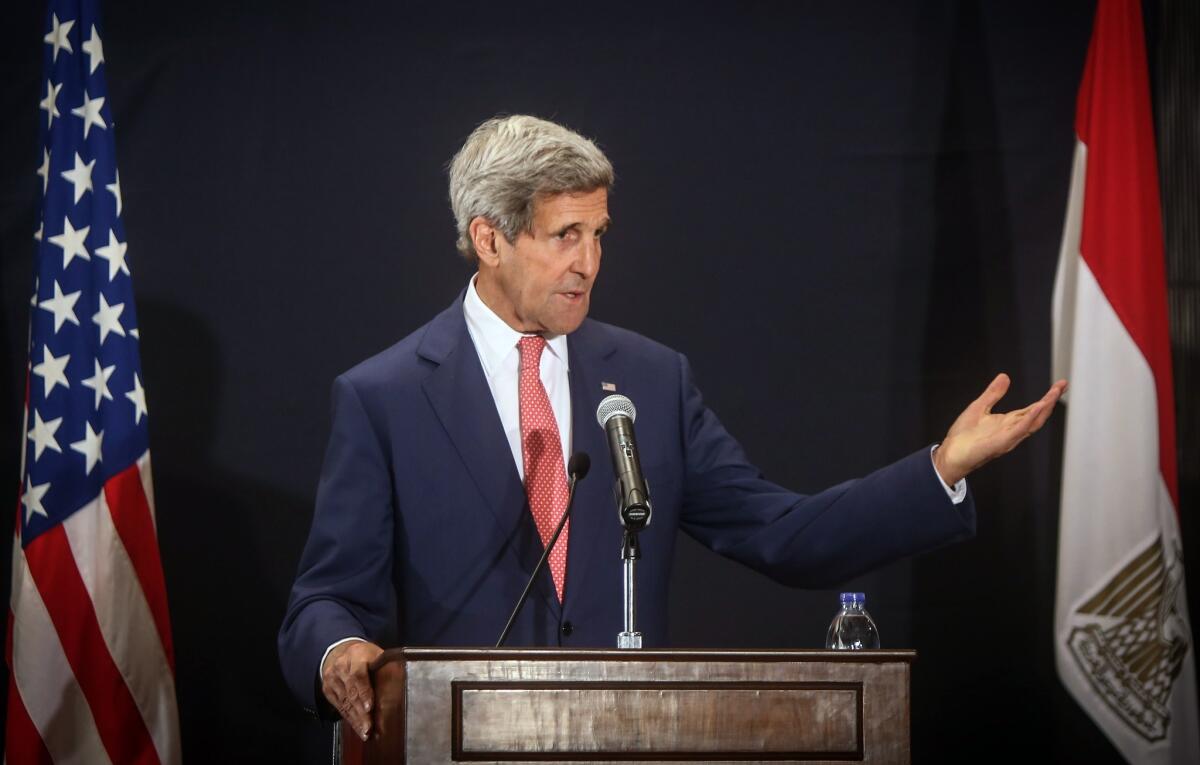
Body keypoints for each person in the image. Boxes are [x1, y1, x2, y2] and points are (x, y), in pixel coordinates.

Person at [277, 115, 1067, 741]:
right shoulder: (383, 395)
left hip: (628, 739)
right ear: (489, 238)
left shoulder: (650, 380)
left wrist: (941, 467)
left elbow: (782, 531)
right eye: (565, 236)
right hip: (455, 740)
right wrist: (337, 650)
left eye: (599, 235)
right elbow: (324, 594)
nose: (589, 262)